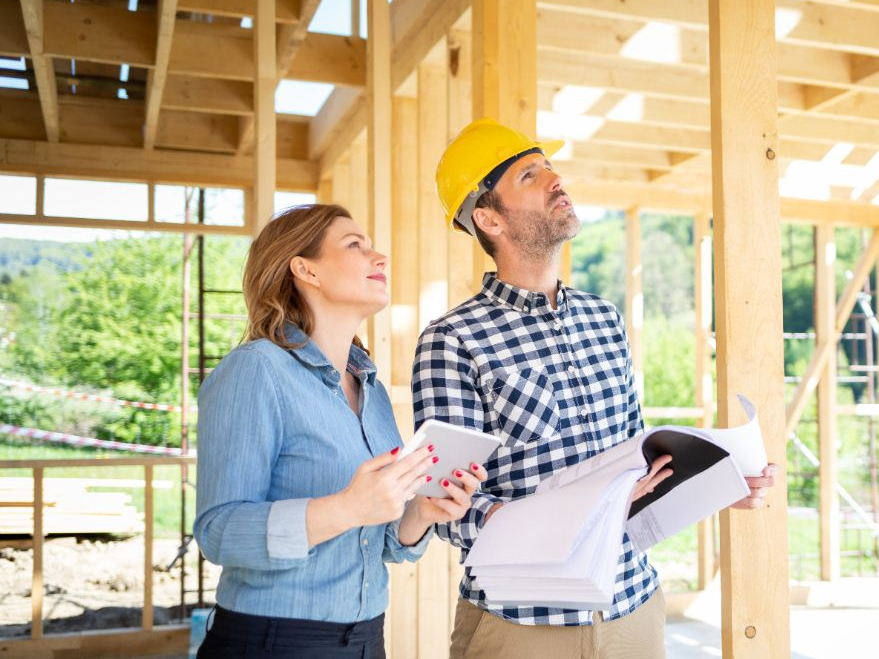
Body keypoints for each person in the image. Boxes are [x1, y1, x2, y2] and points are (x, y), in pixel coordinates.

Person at [411, 119, 778, 658]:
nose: (555, 179)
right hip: (522, 629)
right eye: (530, 174)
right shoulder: (453, 340)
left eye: (551, 167)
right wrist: (583, 513)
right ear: (489, 217)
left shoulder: (604, 318)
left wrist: (719, 483)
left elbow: (638, 463)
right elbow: (447, 505)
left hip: (633, 608)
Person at [194, 203, 486, 658]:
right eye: (355, 245)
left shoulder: (369, 387)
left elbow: (384, 544)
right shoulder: (256, 370)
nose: (380, 257)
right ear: (304, 269)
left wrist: (422, 514)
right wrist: (347, 507)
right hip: (273, 642)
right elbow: (218, 531)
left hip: (366, 639)